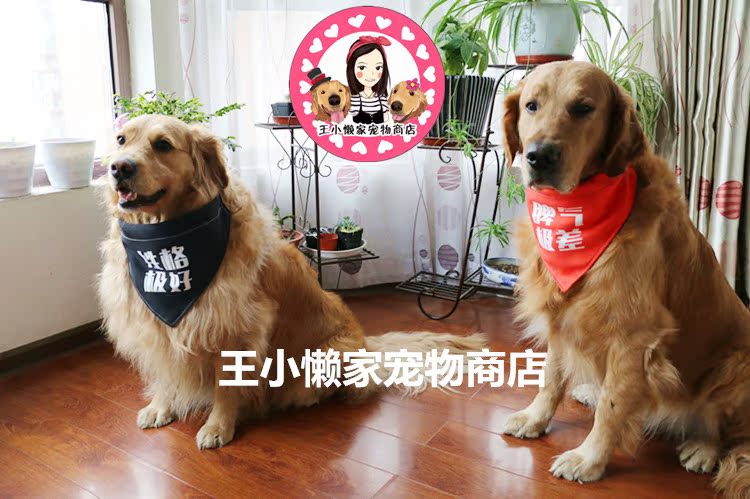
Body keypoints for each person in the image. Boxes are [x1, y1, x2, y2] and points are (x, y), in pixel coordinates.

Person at [346, 35, 391, 124]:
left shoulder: (381, 98)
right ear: (352, 69)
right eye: (362, 67)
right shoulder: (354, 99)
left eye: (378, 68)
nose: (371, 74)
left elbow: (386, 119)